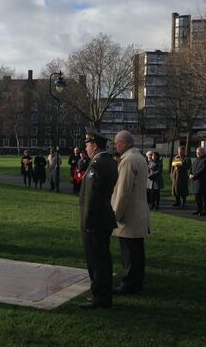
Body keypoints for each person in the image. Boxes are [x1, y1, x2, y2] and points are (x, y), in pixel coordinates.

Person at [78, 129, 118, 310]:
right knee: (103, 259)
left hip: (95, 221)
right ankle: (104, 294)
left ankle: (99, 296)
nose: (85, 148)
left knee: (96, 261)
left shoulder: (97, 165)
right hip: (103, 218)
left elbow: (92, 197)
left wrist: (87, 222)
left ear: (94, 145)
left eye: (87, 144)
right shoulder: (107, 161)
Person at [111, 131, 150, 295]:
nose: (115, 146)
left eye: (117, 143)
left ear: (125, 143)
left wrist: (114, 216)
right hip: (140, 212)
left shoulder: (128, 161)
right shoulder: (139, 158)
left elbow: (123, 192)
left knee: (129, 253)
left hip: (130, 215)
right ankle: (136, 282)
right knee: (136, 252)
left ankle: (129, 284)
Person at [189, 147, 206, 216]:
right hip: (194, 181)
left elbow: (202, 170)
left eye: (199, 152)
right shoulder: (195, 160)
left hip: (202, 181)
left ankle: (204, 210)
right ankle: (199, 209)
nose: (197, 153)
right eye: (197, 152)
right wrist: (190, 174)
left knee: (203, 197)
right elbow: (191, 168)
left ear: (203, 152)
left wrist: (194, 175)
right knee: (197, 196)